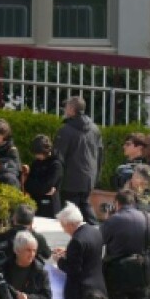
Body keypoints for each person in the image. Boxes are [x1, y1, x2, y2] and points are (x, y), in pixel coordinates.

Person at [53, 202, 106, 299]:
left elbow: (73, 270)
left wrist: (59, 260)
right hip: (98, 288)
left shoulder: (76, 241)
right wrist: (68, 252)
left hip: (81, 294)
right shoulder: (95, 231)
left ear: (71, 224)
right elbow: (89, 252)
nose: (64, 230)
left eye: (63, 226)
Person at [53, 96, 102, 225]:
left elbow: (58, 157)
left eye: (66, 107)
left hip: (70, 179)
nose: (64, 109)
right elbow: (100, 154)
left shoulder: (66, 130)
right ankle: (96, 232)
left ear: (71, 109)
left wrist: (55, 180)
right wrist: (95, 176)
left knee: (70, 211)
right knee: (84, 205)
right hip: (88, 178)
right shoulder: (95, 129)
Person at [25, 134, 63, 218]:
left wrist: (37, 187)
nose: (37, 156)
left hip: (50, 207)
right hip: (35, 204)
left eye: (38, 153)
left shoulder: (55, 165)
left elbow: (47, 186)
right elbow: (27, 184)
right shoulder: (36, 163)